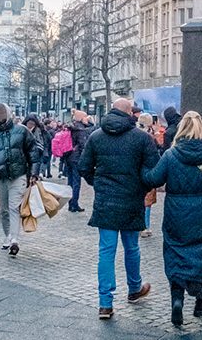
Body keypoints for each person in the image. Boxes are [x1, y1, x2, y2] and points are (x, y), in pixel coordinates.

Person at [144, 111, 202, 327]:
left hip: (177, 213)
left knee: (176, 253)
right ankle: (201, 303)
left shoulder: (171, 155)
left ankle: (177, 300)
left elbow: (153, 179)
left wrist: (142, 167)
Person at [78, 98, 159, 319]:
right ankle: (134, 288)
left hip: (105, 201)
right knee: (132, 248)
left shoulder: (96, 136)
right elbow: (153, 170)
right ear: (129, 113)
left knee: (106, 251)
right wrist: (141, 186)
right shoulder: (142, 138)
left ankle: (105, 302)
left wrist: (99, 183)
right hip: (132, 200)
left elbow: (83, 166)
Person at [0, 102, 42, 256]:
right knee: (4, 208)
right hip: (1, 176)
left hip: (19, 174)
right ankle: (8, 235)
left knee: (13, 207)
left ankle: (14, 239)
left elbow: (33, 151)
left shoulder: (22, 131)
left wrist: (34, 173)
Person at [64, 109, 95, 212]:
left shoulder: (70, 127)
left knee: (70, 181)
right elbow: (83, 145)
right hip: (76, 158)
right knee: (76, 182)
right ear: (82, 118)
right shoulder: (80, 129)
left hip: (68, 156)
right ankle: (74, 204)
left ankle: (70, 203)